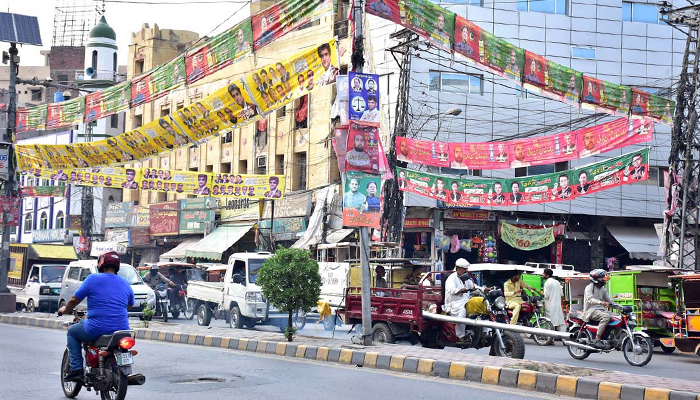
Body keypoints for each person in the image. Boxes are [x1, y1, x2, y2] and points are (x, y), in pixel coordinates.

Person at [57, 252, 134, 382]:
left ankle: (76, 370)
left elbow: (74, 299)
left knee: (72, 332)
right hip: (123, 330)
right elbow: (129, 305)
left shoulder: (93, 279)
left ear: (101, 264)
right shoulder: (125, 282)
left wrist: (65, 309)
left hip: (96, 328)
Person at [583, 269, 616, 348]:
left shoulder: (602, 289)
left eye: (603, 277)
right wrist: (601, 303)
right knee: (606, 316)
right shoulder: (589, 287)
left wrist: (619, 306)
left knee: (617, 317)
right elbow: (590, 299)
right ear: (595, 279)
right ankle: (597, 338)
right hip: (590, 310)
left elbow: (609, 300)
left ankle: (612, 338)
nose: (603, 279)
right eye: (601, 277)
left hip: (601, 310)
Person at [542, 268, 566, 332]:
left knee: (550, 322)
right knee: (560, 321)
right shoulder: (557, 282)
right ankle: (564, 338)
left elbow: (546, 295)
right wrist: (560, 304)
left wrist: (536, 290)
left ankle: (550, 339)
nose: (542, 275)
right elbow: (562, 295)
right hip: (558, 305)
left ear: (547, 275)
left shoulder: (547, 283)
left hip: (550, 306)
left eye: (543, 273)